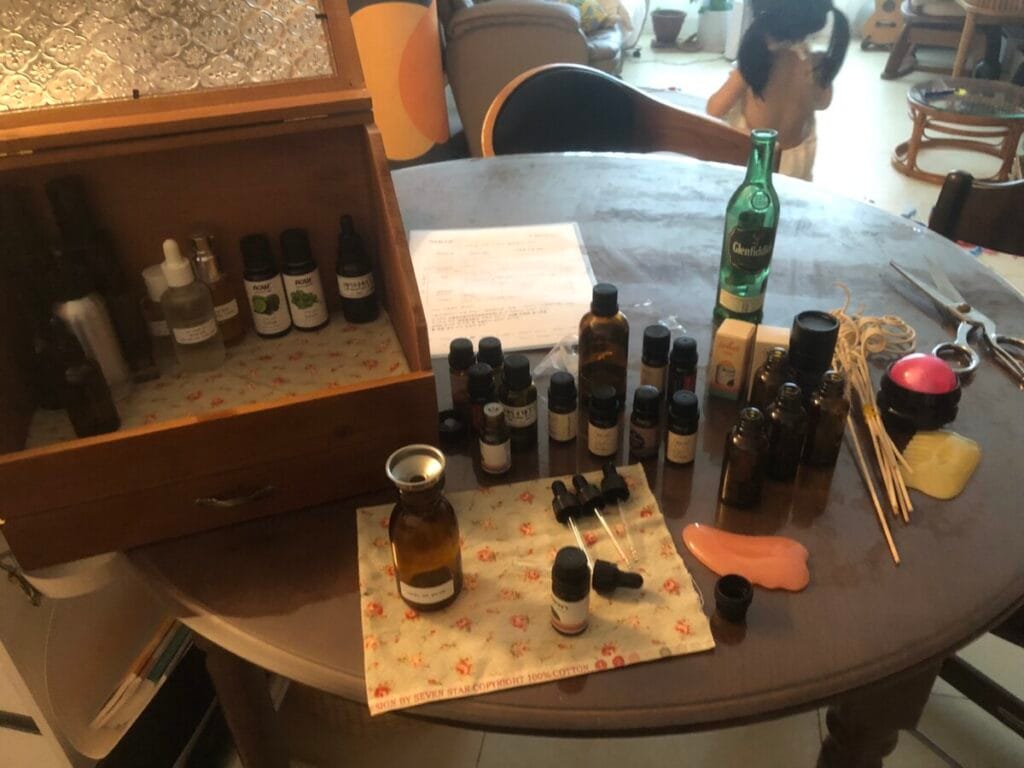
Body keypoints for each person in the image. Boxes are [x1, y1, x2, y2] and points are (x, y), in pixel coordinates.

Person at [706, 0, 849, 180]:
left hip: (753, 166)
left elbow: (714, 109)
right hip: (795, 167)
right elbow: (823, 103)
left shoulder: (758, 61)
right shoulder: (815, 64)